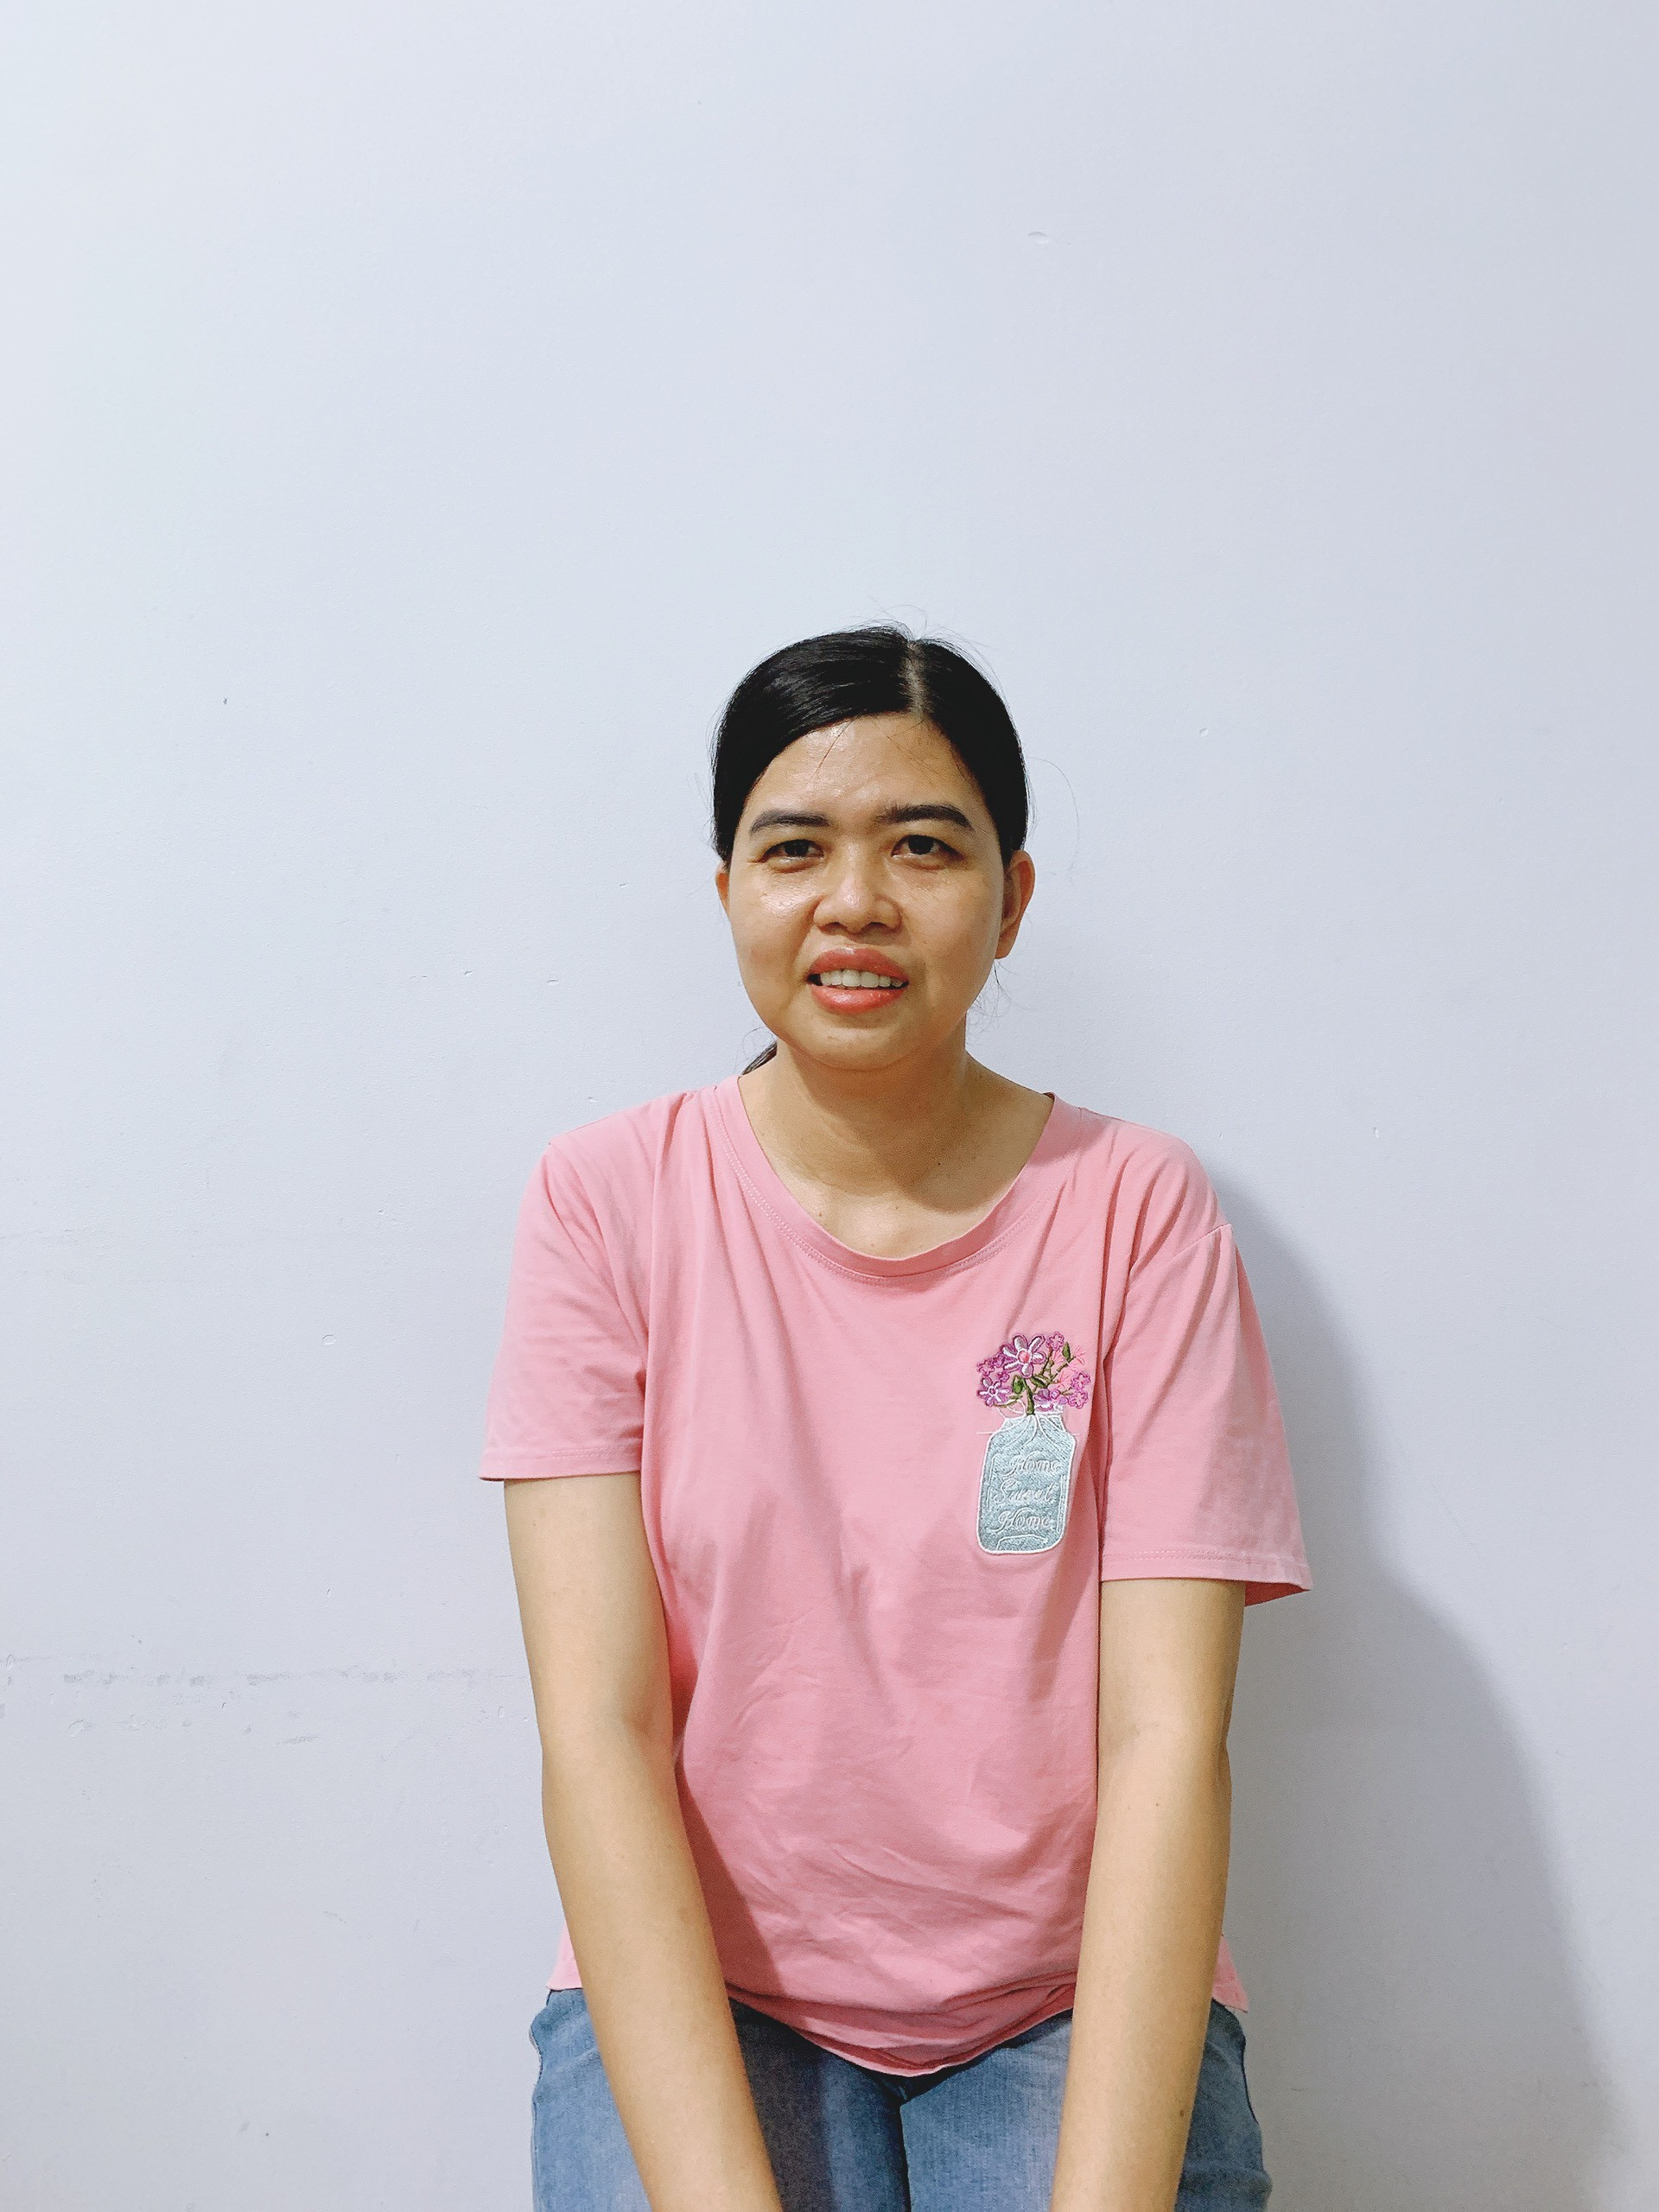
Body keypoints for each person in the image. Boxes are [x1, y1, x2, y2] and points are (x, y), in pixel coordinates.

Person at [480, 625, 1312, 2212]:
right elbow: (599, 1732)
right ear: (728, 888)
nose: (855, 900)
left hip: (1065, 1993)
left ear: (1013, 897)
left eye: (923, 846)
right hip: (706, 1980)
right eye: (796, 848)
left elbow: (1165, 1739)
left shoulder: (1136, 1210)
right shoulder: (606, 1202)